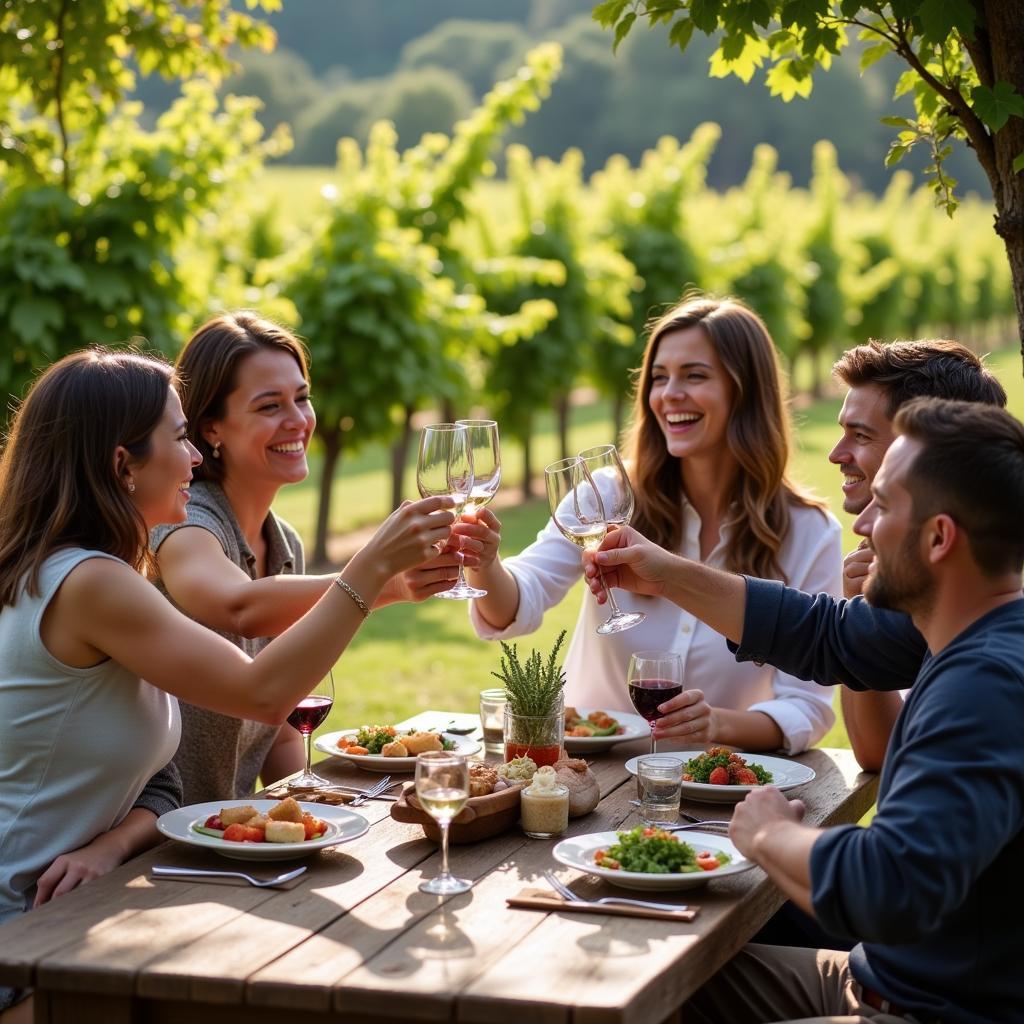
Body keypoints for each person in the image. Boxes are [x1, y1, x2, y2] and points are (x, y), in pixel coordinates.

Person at [586, 399, 1024, 1024]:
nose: (864, 522)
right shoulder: (976, 625)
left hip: (920, 1012)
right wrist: (666, 575)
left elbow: (888, 887)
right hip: (876, 979)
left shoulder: (984, 687)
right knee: (648, 971)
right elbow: (826, 635)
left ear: (938, 538)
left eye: (886, 503)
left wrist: (770, 832)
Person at [0, 348, 453, 938]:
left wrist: (111, 845)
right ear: (123, 464)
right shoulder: (89, 584)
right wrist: (369, 572)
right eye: (181, 438)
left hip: (91, 903)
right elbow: (261, 692)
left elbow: (160, 782)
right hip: (23, 929)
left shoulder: (96, 574)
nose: (194, 457)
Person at [461, 295, 841, 755]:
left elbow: (807, 707)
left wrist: (713, 724)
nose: (668, 394)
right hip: (590, 783)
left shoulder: (810, 532)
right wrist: (482, 563)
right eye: (659, 378)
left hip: (714, 793)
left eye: (694, 375)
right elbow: (517, 603)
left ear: (746, 391)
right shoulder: (605, 495)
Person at [151, 313, 464, 803]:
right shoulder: (184, 521)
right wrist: (384, 577)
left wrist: (309, 800)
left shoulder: (285, 545)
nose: (297, 420)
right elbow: (240, 607)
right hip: (155, 835)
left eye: (301, 397)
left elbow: (276, 726)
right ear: (212, 429)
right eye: (269, 406)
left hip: (226, 830)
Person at [826, 340, 1005, 770]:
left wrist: (776, 832)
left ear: (921, 450)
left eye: (860, 435)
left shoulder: (966, 593)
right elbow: (877, 753)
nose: (835, 454)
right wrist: (858, 611)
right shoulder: (886, 559)